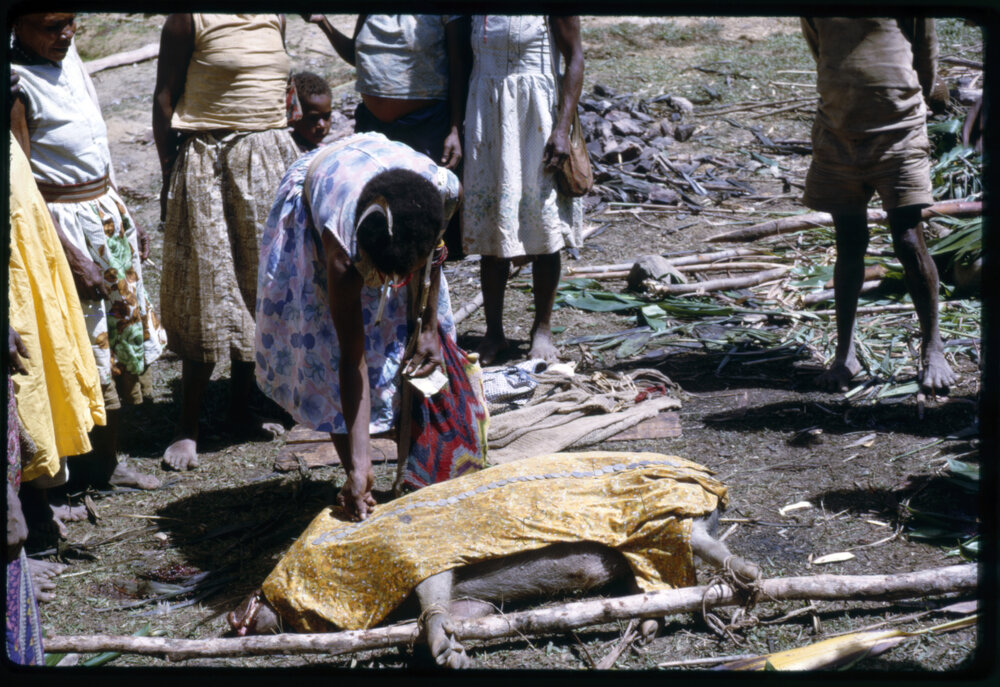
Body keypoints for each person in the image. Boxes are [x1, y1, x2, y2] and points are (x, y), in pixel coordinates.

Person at [255, 132, 461, 521]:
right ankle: (356, 474)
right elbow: (352, 360)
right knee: (327, 346)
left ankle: (412, 473)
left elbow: (432, 256)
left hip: (392, 191)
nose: (393, 286)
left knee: (414, 342)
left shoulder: (442, 192)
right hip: (330, 180)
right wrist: (360, 465)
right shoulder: (342, 255)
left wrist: (429, 328)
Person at [10, 12, 165, 491]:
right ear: (17, 24)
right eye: (49, 25)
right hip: (64, 229)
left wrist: (123, 211)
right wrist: (68, 252)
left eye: (70, 21)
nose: (65, 34)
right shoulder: (17, 86)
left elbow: (96, 142)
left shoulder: (70, 58)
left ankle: (110, 462)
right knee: (83, 347)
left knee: (119, 343)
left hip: (104, 215)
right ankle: (77, 471)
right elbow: (23, 185)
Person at [153, 14, 301, 470]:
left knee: (261, 284)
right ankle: (187, 426)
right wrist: (168, 173)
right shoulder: (187, 18)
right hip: (209, 160)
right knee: (209, 288)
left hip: (270, 158)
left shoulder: (273, 15)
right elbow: (164, 96)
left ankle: (241, 408)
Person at [801, 18, 956, 395]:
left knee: (907, 238)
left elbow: (925, 51)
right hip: (838, 132)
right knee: (849, 241)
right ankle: (845, 355)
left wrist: (917, 97)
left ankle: (933, 346)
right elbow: (821, 51)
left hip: (899, 131)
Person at [462, 16, 584, 364]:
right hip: (486, 114)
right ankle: (494, 333)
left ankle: (541, 329)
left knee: (543, 226)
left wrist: (562, 128)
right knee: (492, 229)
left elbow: (575, 56)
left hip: (538, 117)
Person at [304, 14, 469, 258]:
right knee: (375, 216)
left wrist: (455, 128)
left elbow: (460, 64)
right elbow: (356, 55)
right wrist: (323, 22)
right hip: (374, 128)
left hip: (426, 126)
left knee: (425, 225)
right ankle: (380, 290)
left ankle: (425, 292)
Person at [288, 71, 333, 152]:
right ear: (293, 117)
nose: (322, 125)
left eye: (326, 117)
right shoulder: (291, 153)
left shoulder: (322, 149)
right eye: (313, 118)